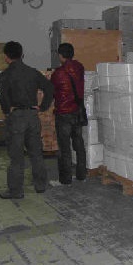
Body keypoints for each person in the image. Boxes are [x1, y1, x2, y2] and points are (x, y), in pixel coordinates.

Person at [0, 41, 54, 199]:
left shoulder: (5, 75)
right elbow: (49, 88)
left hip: (16, 117)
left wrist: (7, 110)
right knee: (36, 153)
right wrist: (42, 107)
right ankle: (40, 186)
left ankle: (16, 191)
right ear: (22, 55)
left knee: (16, 157)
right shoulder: (32, 72)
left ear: (6, 57)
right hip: (32, 116)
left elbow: (2, 95)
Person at [50, 42, 87, 185]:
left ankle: (65, 179)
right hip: (77, 112)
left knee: (64, 147)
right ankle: (81, 175)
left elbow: (53, 92)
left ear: (60, 55)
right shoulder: (80, 68)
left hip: (63, 113)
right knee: (79, 144)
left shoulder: (58, 73)